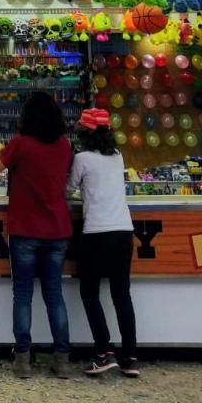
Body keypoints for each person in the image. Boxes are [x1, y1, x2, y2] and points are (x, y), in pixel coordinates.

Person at [0, 89, 73, 379]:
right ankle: (62, 358)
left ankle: (23, 357)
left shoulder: (20, 144)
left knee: (22, 294)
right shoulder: (64, 146)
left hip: (24, 229)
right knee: (54, 295)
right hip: (58, 230)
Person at [68, 108, 139, 378]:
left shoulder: (82, 158)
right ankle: (130, 357)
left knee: (90, 292)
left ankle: (103, 352)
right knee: (122, 295)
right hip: (123, 230)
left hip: (96, 232)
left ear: (84, 133)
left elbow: (68, 189)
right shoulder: (117, 156)